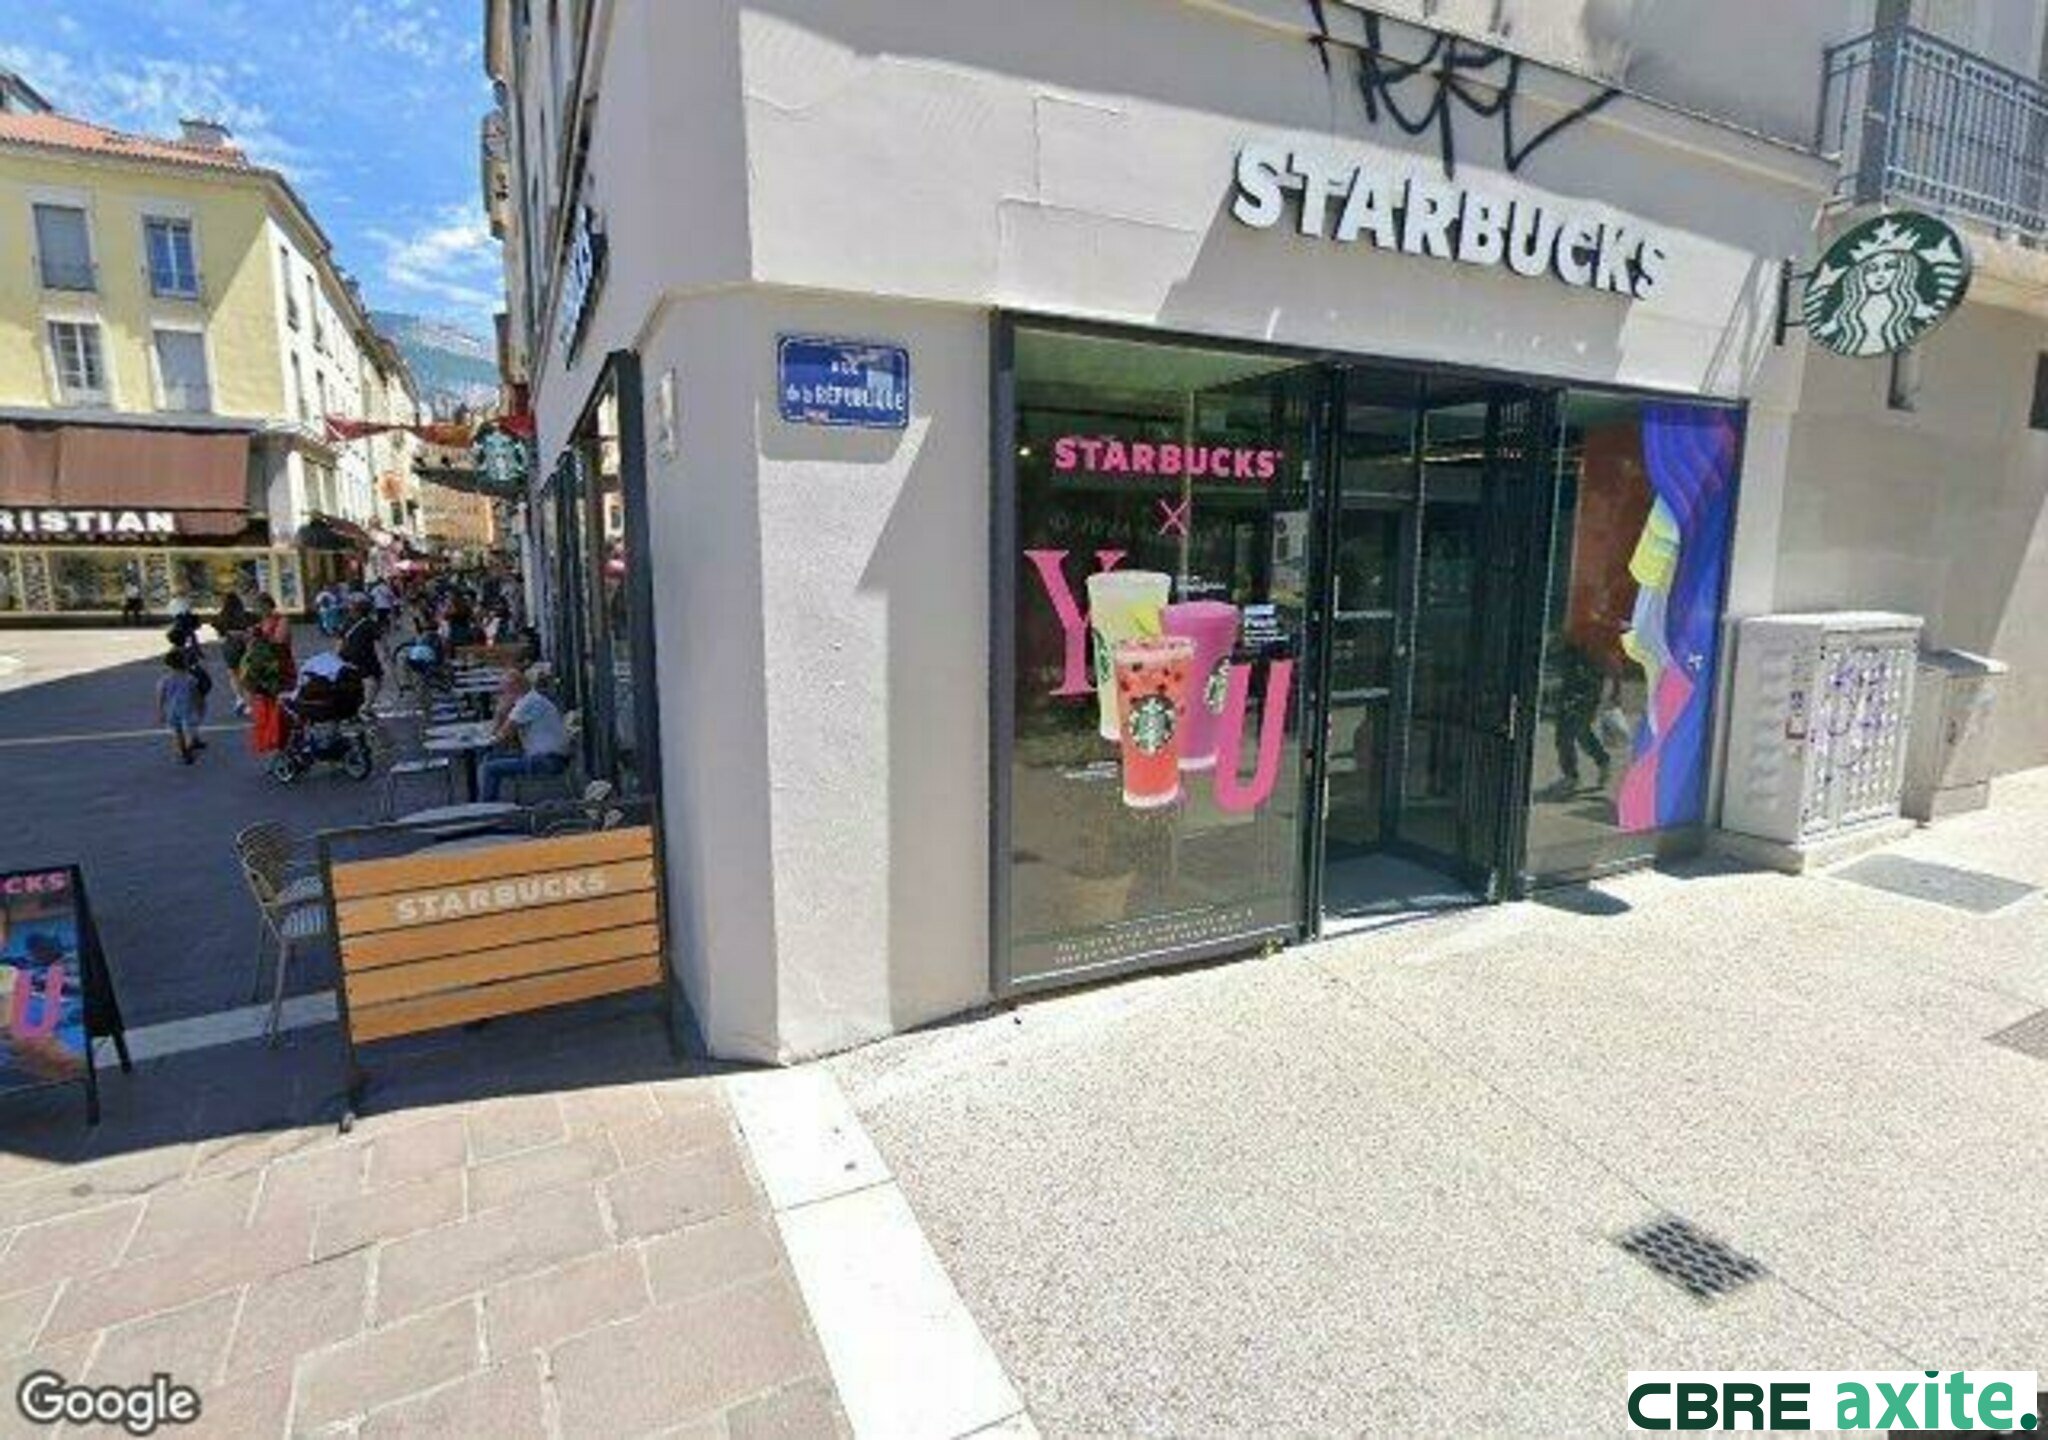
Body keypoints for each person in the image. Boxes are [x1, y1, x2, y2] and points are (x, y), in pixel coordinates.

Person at [478, 669, 572, 801]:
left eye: (504, 690)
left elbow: (501, 736)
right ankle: (485, 803)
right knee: (490, 758)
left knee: (489, 768)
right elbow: (504, 737)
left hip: (548, 761)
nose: (502, 694)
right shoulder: (531, 699)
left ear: (515, 687)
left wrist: (499, 711)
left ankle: (486, 808)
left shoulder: (528, 703)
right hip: (548, 756)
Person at [241, 593, 296, 755]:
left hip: (281, 667)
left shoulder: (282, 620)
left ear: (269, 605)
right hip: (264, 671)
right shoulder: (259, 624)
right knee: (265, 704)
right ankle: (273, 740)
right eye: (256, 607)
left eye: (260, 606)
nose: (258, 610)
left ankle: (284, 739)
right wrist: (249, 639)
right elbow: (251, 647)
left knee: (281, 703)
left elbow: (280, 641)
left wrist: (259, 637)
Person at [156, 648, 205, 764]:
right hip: (188, 709)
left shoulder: (164, 680)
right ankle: (189, 748)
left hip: (171, 710)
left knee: (177, 732)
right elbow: (196, 696)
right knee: (189, 730)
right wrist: (200, 707)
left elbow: (160, 697)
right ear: (185, 663)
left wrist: (160, 711)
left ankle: (182, 751)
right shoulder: (190, 679)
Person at [337, 595, 385, 710]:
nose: (350, 612)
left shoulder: (347, 622)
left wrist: (338, 655)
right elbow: (380, 642)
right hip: (364, 657)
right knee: (374, 680)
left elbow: (340, 640)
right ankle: (365, 707)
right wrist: (384, 657)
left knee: (365, 680)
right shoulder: (370, 624)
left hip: (348, 656)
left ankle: (362, 704)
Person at [213, 588, 254, 716]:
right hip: (246, 647)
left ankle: (239, 698)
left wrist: (229, 635)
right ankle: (249, 704)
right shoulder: (247, 616)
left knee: (233, 674)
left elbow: (221, 638)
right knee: (246, 675)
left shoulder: (221, 617)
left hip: (229, 648)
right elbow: (252, 633)